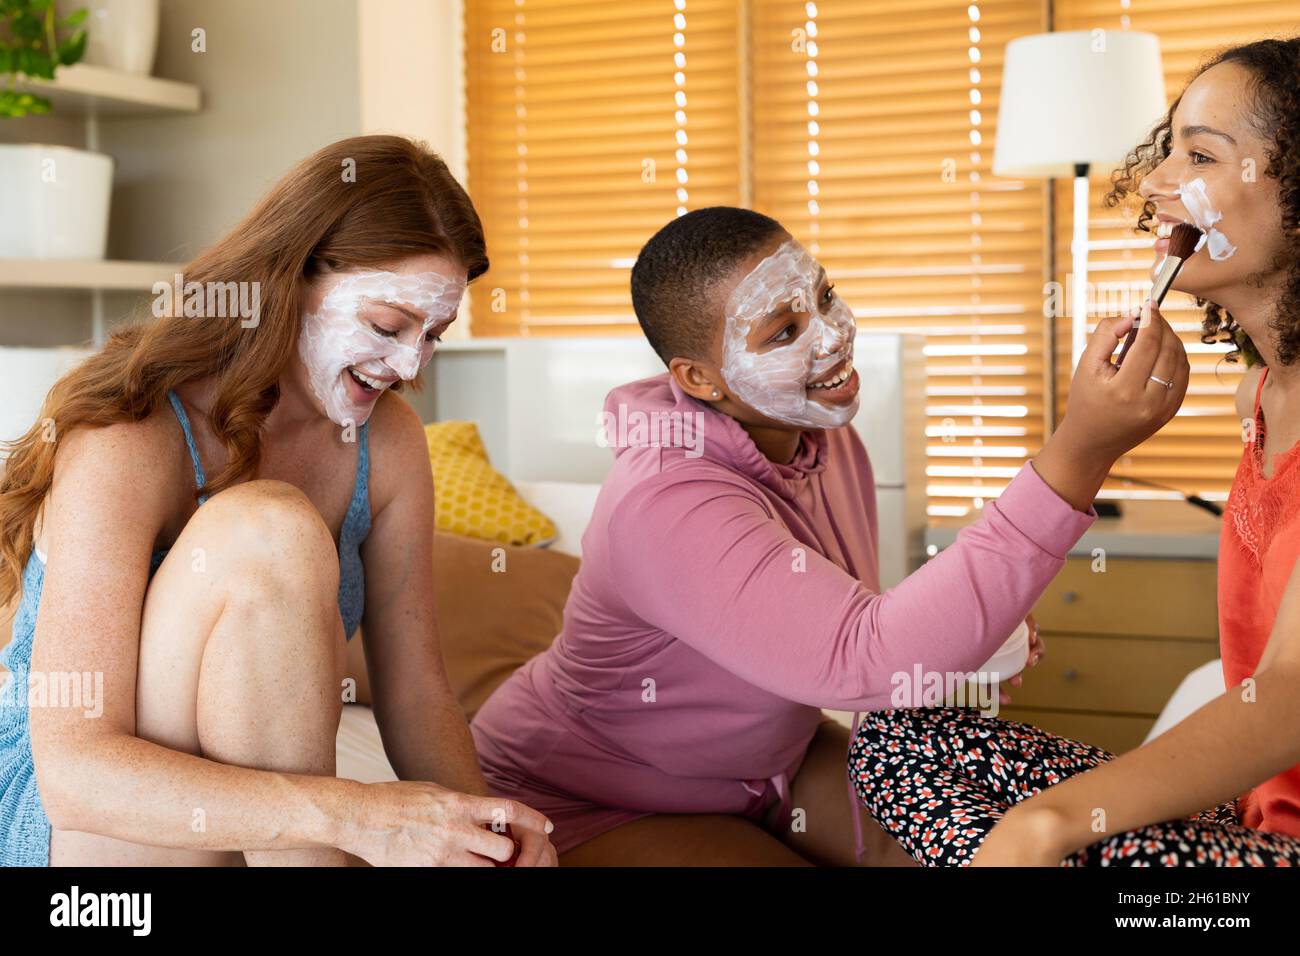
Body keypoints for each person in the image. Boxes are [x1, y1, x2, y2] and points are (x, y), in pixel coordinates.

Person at [470, 204, 1188, 865]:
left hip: (771, 761)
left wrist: (966, 639)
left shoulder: (824, 438)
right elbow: (865, 658)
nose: (833, 332)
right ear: (700, 378)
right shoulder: (664, 501)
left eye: (825, 295)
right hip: (596, 793)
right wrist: (1082, 451)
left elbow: (845, 619)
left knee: (996, 847)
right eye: (784, 331)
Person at [0, 135, 555, 867]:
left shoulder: (386, 443)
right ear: (288, 280)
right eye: (388, 327)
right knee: (270, 529)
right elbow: (77, 774)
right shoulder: (128, 440)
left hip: (259, 837)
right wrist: (356, 816)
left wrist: (483, 834)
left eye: (433, 337)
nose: (409, 364)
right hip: (79, 824)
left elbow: (417, 694)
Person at [851, 38, 1300, 867]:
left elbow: (1288, 695)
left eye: (1199, 155)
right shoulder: (1259, 399)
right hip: (1254, 819)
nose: (1159, 184)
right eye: (1167, 149)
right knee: (896, 741)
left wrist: (1048, 823)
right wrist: (1089, 440)